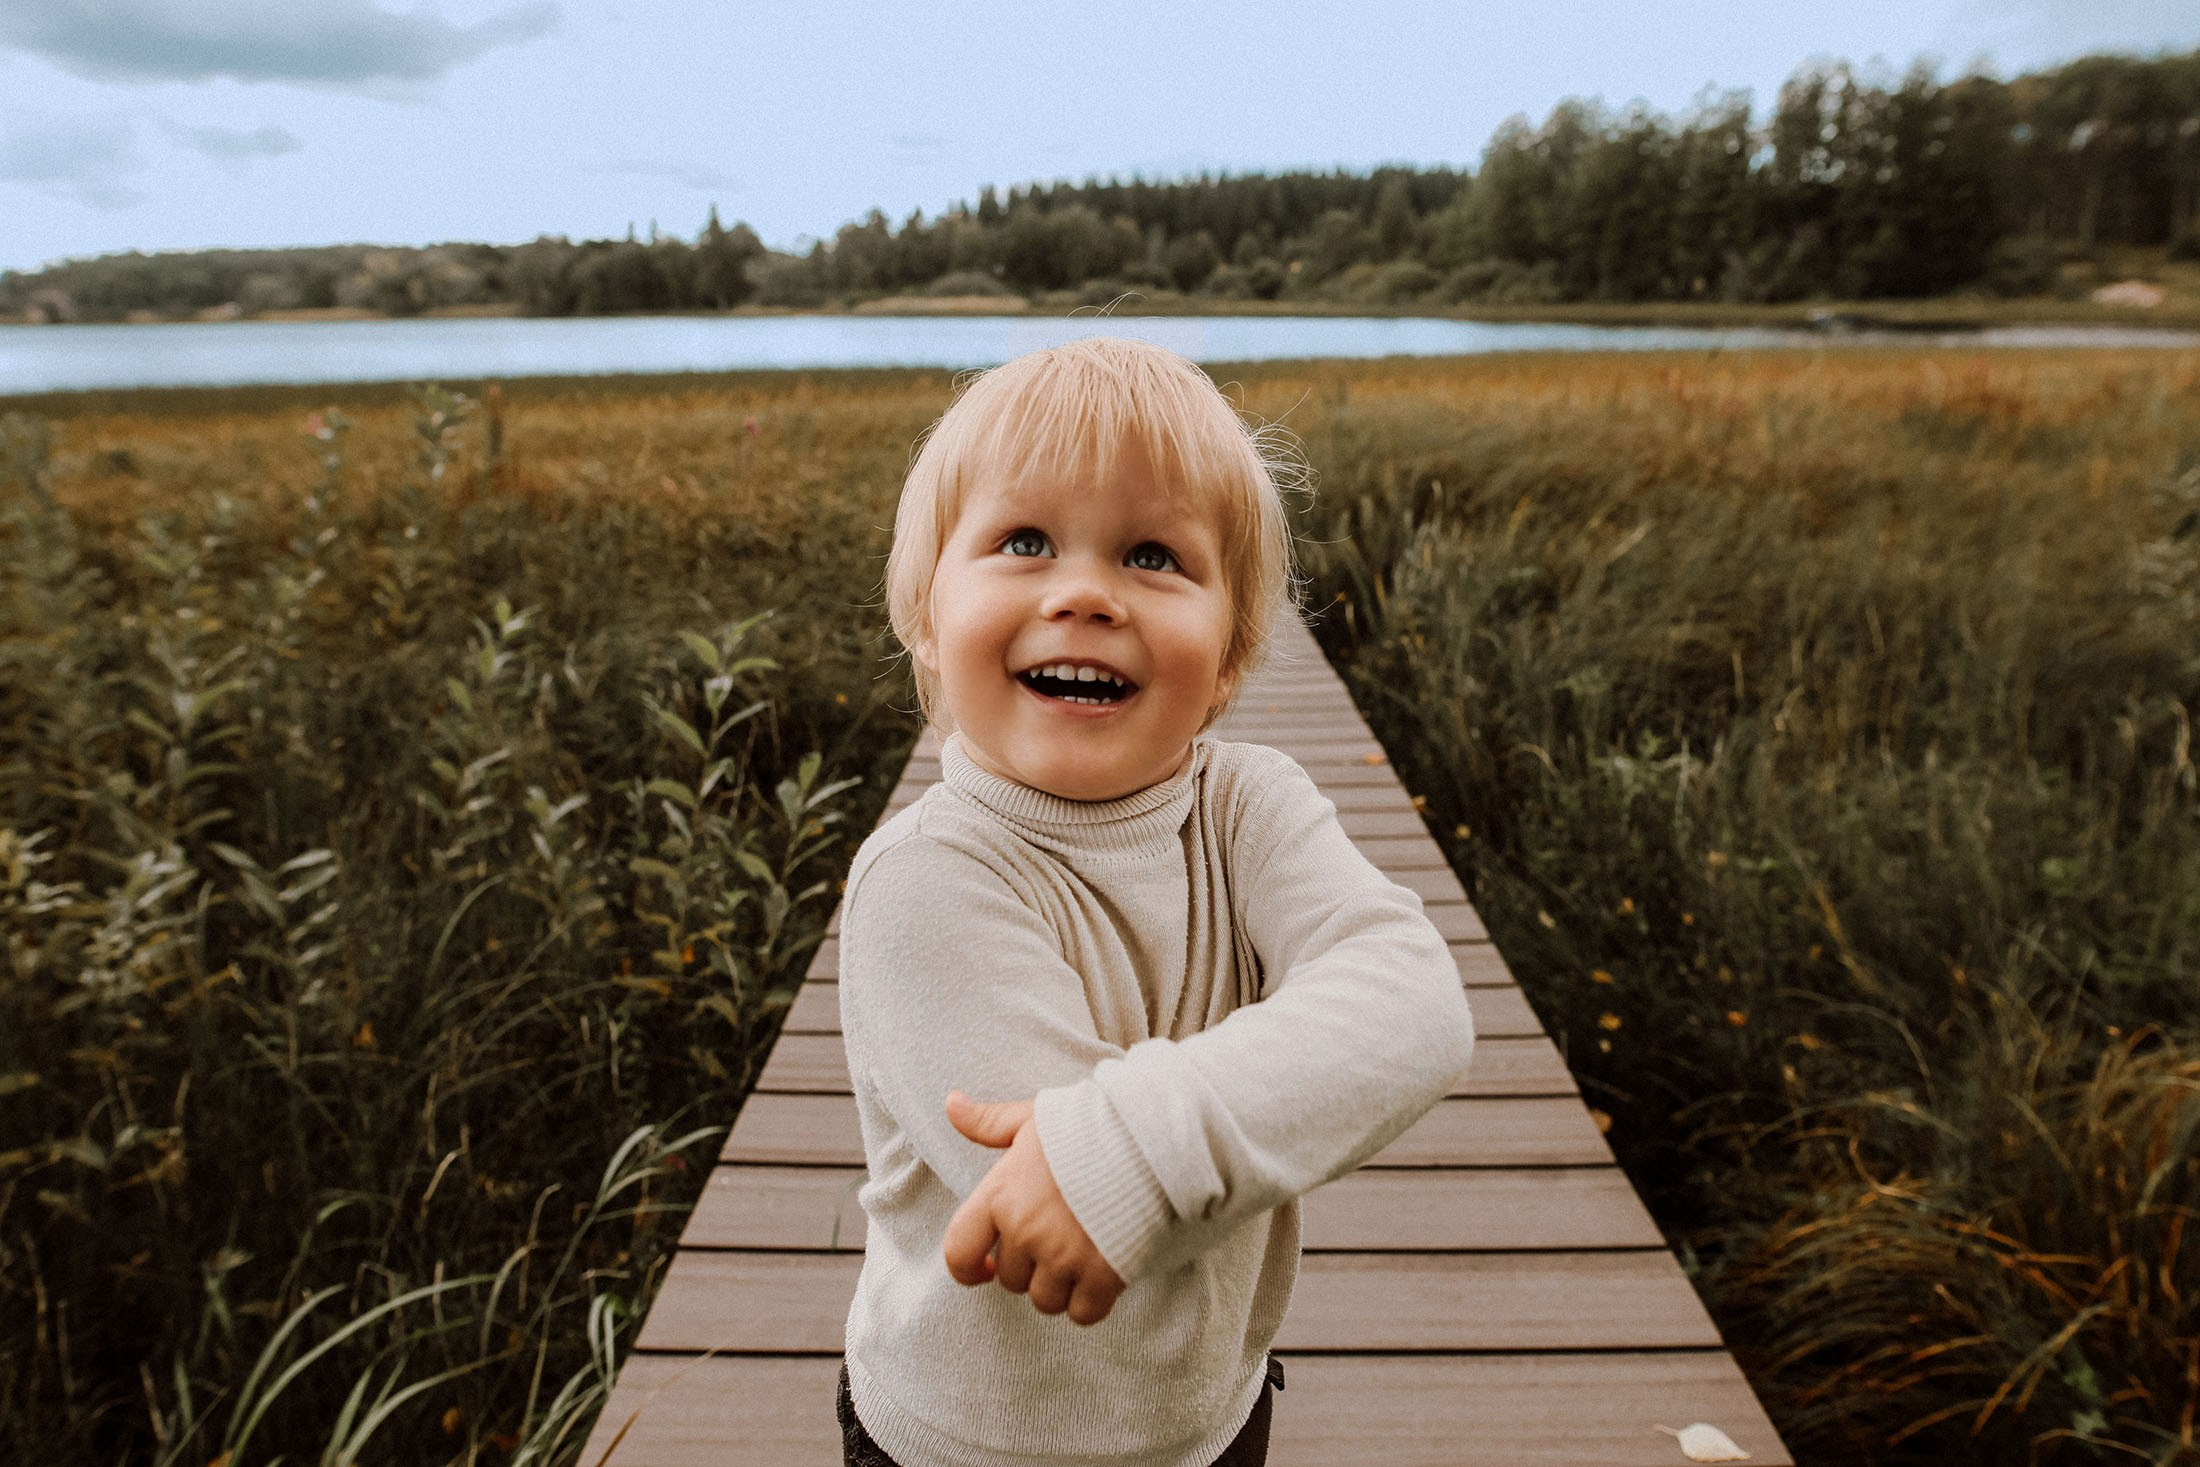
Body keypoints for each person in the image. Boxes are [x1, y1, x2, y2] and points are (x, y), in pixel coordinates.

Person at [835, 335, 1476, 1467]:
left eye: (1152, 556)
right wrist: (1148, 1153)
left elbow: (1414, 999)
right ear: (927, 616)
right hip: (966, 1448)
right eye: (1021, 541)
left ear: (1227, 659)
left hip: (1211, 1415)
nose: (1084, 593)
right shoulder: (919, 884)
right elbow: (1042, 1206)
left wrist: (1129, 1147)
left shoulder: (1251, 806)